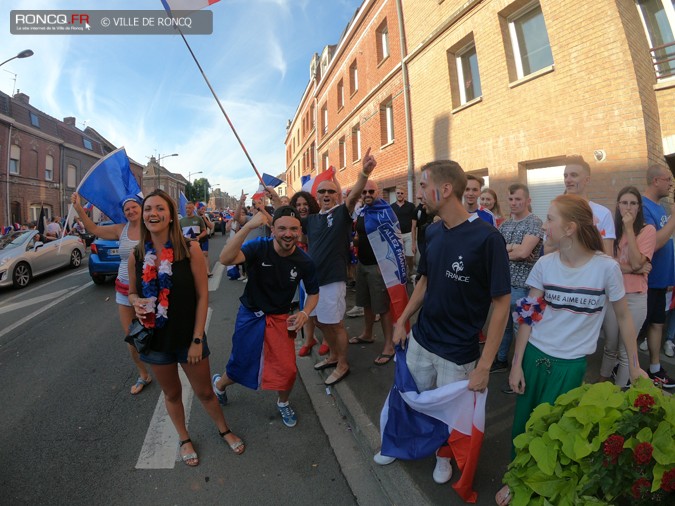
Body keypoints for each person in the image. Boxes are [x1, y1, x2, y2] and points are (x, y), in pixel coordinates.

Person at [495, 194, 646, 505]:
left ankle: (542, 487)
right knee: (523, 427)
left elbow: (624, 318)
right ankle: (515, 477)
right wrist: (516, 363)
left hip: (572, 366)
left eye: (550, 219)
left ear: (570, 228)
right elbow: (528, 315)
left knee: (556, 432)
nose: (544, 224)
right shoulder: (544, 265)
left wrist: (633, 364)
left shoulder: (606, 269)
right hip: (535, 357)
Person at [375, 160, 511, 487]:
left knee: (450, 415)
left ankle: (443, 456)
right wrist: (402, 321)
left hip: (459, 352)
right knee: (406, 397)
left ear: (445, 189)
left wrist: (485, 365)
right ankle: (396, 442)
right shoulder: (433, 231)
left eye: (424, 186)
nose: (419, 193)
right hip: (422, 339)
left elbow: (502, 304)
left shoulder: (487, 239)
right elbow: (423, 282)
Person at [128, 189, 244, 466]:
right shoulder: (137, 255)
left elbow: (203, 296)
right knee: (171, 393)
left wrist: (196, 339)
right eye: (148, 209)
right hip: (155, 340)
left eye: (159, 209)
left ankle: (224, 429)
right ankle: (184, 437)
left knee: (204, 392)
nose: (153, 214)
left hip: (187, 337)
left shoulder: (189, 249)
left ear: (170, 217)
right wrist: (136, 301)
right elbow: (131, 292)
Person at [212, 206, 320, 427]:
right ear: (272, 229)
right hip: (251, 315)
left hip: (281, 319)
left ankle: (283, 402)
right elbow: (225, 258)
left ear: (299, 231)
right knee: (241, 362)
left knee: (288, 369)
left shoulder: (304, 261)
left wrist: (305, 312)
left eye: (293, 229)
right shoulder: (258, 247)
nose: (287, 234)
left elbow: (314, 293)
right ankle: (219, 386)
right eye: (282, 228)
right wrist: (249, 226)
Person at [305, 147, 377, 386]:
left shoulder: (342, 214)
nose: (326, 194)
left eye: (331, 191)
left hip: (332, 280)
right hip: (312, 283)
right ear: (317, 196)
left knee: (334, 323)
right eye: (322, 191)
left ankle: (343, 363)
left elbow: (355, 195)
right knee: (318, 321)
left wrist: (363, 174)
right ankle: (334, 356)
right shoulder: (313, 220)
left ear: (337, 196)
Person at [71, 192, 152, 395]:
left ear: (141, 208)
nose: (131, 211)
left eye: (134, 207)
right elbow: (94, 229)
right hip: (124, 289)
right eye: (127, 209)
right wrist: (79, 208)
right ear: (123, 213)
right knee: (131, 336)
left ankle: (166, 367)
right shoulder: (120, 230)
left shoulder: (151, 228)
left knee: (155, 331)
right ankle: (144, 374)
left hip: (149, 289)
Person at [599, 187, 655, 387]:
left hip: (636, 298)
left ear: (639, 207)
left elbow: (637, 261)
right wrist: (635, 268)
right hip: (613, 296)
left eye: (633, 203)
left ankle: (618, 394)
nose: (628, 207)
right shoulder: (610, 231)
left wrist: (630, 229)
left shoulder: (648, 230)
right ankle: (601, 385)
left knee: (626, 351)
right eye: (624, 202)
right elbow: (607, 263)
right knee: (610, 346)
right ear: (617, 205)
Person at [492, 184, 543, 375]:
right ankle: (502, 360)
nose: (514, 203)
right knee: (502, 326)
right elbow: (496, 252)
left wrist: (514, 249)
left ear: (528, 201)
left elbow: (523, 252)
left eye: (518, 199)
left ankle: (524, 370)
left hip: (526, 288)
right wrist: (513, 248)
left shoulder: (534, 223)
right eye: (511, 199)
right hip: (503, 285)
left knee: (523, 331)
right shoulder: (504, 225)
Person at [348, 180, 398, 365]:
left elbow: (394, 239)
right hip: (362, 264)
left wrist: (384, 264)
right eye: (364, 192)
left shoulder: (385, 211)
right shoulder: (363, 211)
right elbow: (361, 233)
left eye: (371, 191)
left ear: (378, 193)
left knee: (382, 307)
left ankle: (389, 346)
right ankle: (367, 334)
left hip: (378, 267)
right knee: (366, 303)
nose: (367, 194)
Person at [640, 165, 675, 388]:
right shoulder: (644, 207)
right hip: (647, 281)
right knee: (638, 328)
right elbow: (655, 243)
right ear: (655, 181)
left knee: (656, 324)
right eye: (668, 179)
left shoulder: (661, 208)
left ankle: (654, 369)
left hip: (662, 281)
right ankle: (625, 367)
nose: (671, 183)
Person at [289, 191, 328, 357]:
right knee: (306, 308)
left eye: (305, 204)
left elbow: (305, 240)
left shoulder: (318, 220)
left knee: (324, 308)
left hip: (319, 269)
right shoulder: (293, 222)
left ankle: (327, 340)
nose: (302, 208)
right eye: (298, 205)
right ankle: (308, 340)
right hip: (300, 271)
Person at [559, 156, 615, 255]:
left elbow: (608, 255)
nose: (568, 180)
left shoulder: (603, 213)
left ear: (587, 180)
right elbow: (549, 249)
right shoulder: (557, 211)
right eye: (565, 176)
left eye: (574, 175)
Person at [391, 187, 417, 280]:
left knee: (409, 256)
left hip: (409, 234)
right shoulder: (391, 207)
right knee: (400, 257)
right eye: (398, 193)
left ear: (404, 194)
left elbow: (414, 224)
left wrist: (414, 242)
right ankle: (403, 274)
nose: (400, 195)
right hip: (397, 235)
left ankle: (410, 271)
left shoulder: (411, 206)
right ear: (395, 194)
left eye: (402, 193)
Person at [196, 202, 215, 277]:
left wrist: (204, 218)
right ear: (198, 209)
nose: (203, 210)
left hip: (204, 238)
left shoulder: (205, 217)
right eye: (202, 209)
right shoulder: (195, 217)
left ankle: (207, 271)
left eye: (204, 209)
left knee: (205, 254)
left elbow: (211, 227)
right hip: (196, 238)